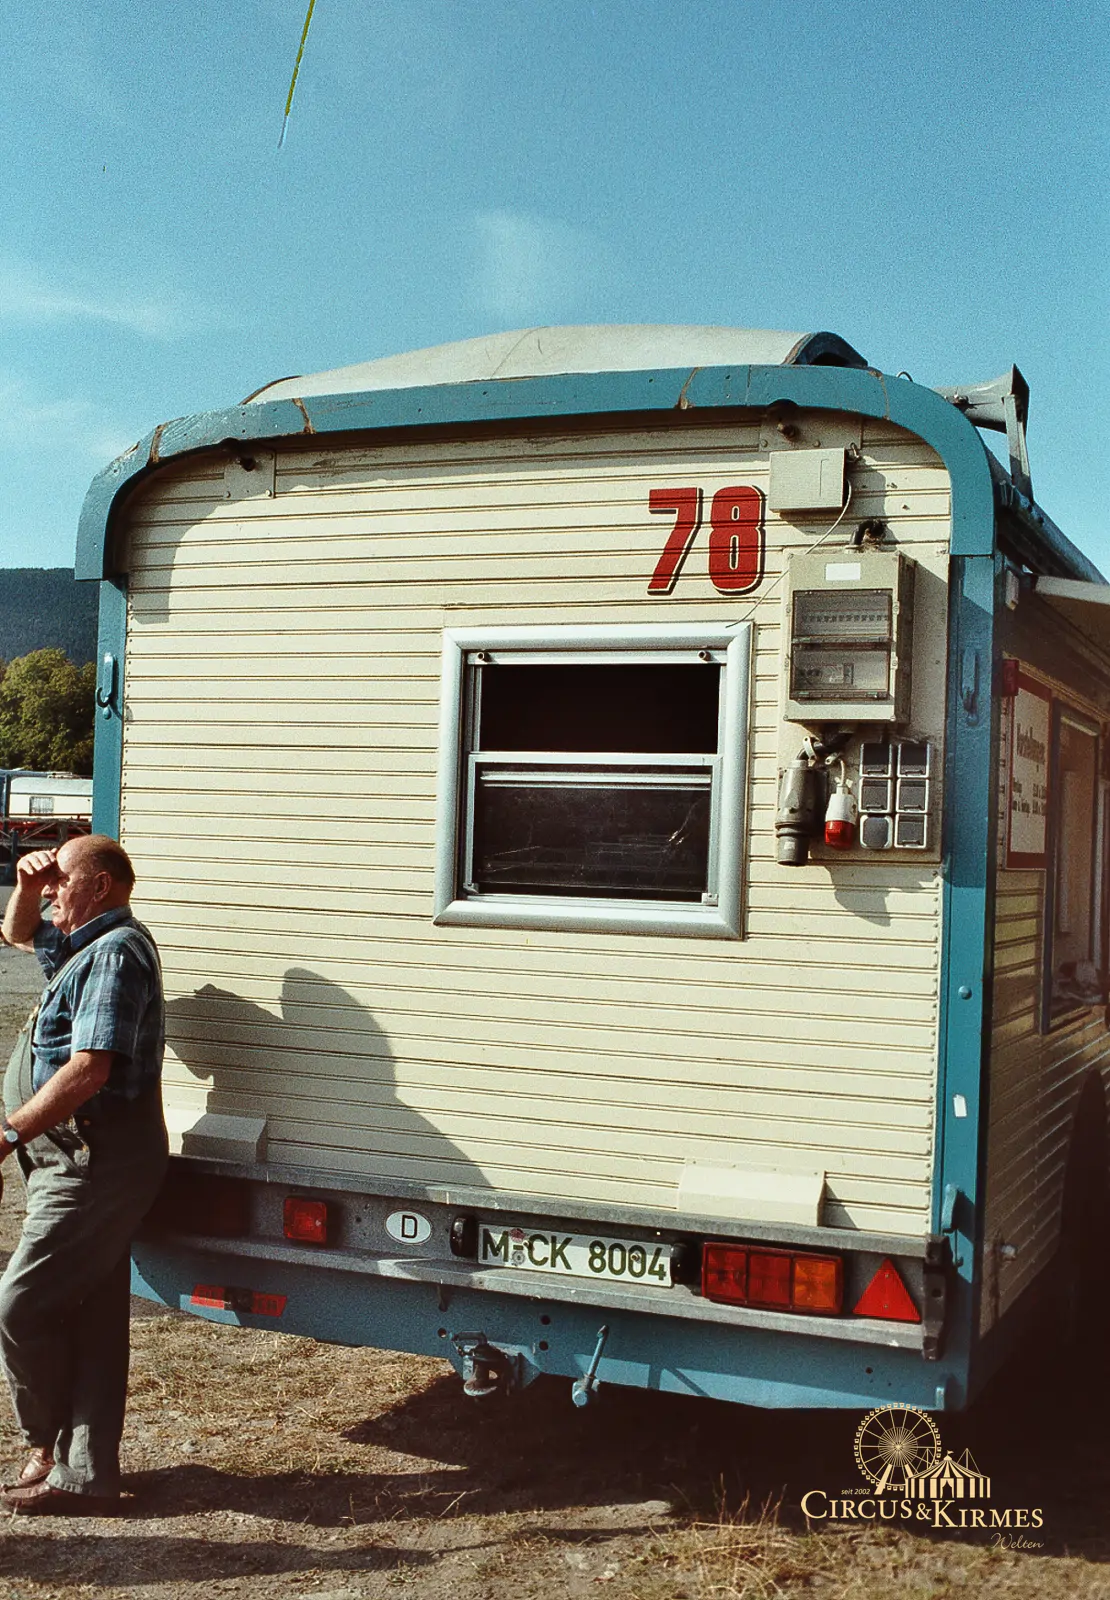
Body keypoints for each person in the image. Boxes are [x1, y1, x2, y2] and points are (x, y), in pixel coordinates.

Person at [0, 834, 167, 1514]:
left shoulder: (115, 954)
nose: (49, 891)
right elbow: (16, 934)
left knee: (20, 1303)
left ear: (99, 887)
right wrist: (25, 885)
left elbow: (90, 1069)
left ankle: (45, 1445)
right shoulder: (84, 945)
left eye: (60, 880)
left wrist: (9, 1133)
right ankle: (86, 1472)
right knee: (93, 1314)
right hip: (75, 1158)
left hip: (96, 1162)